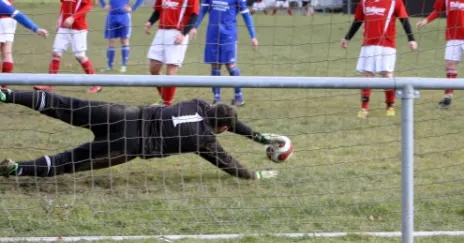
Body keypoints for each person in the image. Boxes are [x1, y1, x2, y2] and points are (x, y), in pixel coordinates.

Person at [0, 88, 282, 180]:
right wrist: (254, 175)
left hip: (125, 114)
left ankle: (8, 94)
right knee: (67, 161)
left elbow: (228, 121)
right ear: (222, 129)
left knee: (66, 105)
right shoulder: (205, 140)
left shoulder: (198, 103)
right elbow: (229, 163)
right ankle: (15, 168)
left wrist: (257, 136)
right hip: (128, 145)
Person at [341, 0, 417, 119]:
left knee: (387, 75)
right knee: (367, 76)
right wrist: (347, 38)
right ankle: (364, 108)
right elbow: (357, 21)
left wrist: (411, 39)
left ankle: (389, 106)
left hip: (387, 44)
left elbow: (404, 20)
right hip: (368, 44)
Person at [193, 0, 258, 107]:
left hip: (229, 34)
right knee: (215, 66)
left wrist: (253, 36)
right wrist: (195, 26)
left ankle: (239, 96)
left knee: (230, 65)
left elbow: (246, 15)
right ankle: (217, 98)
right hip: (212, 33)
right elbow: (202, 10)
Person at [34, 0, 101, 94]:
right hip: (64, 27)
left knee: (80, 55)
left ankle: (96, 84)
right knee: (56, 52)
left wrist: (73, 17)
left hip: (79, 27)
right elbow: (63, 4)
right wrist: (60, 21)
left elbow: (89, 6)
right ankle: (50, 84)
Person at [145, 0, 199, 106]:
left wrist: (183, 34)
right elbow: (158, 10)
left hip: (177, 33)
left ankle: (167, 105)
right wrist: (150, 22)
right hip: (161, 32)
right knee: (153, 68)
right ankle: (166, 99)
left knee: (171, 72)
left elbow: (194, 15)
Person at [96, 0, 145, 72]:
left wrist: (132, 8)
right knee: (111, 41)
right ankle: (109, 66)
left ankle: (124, 65)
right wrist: (104, 5)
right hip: (112, 16)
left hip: (124, 17)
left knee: (124, 40)